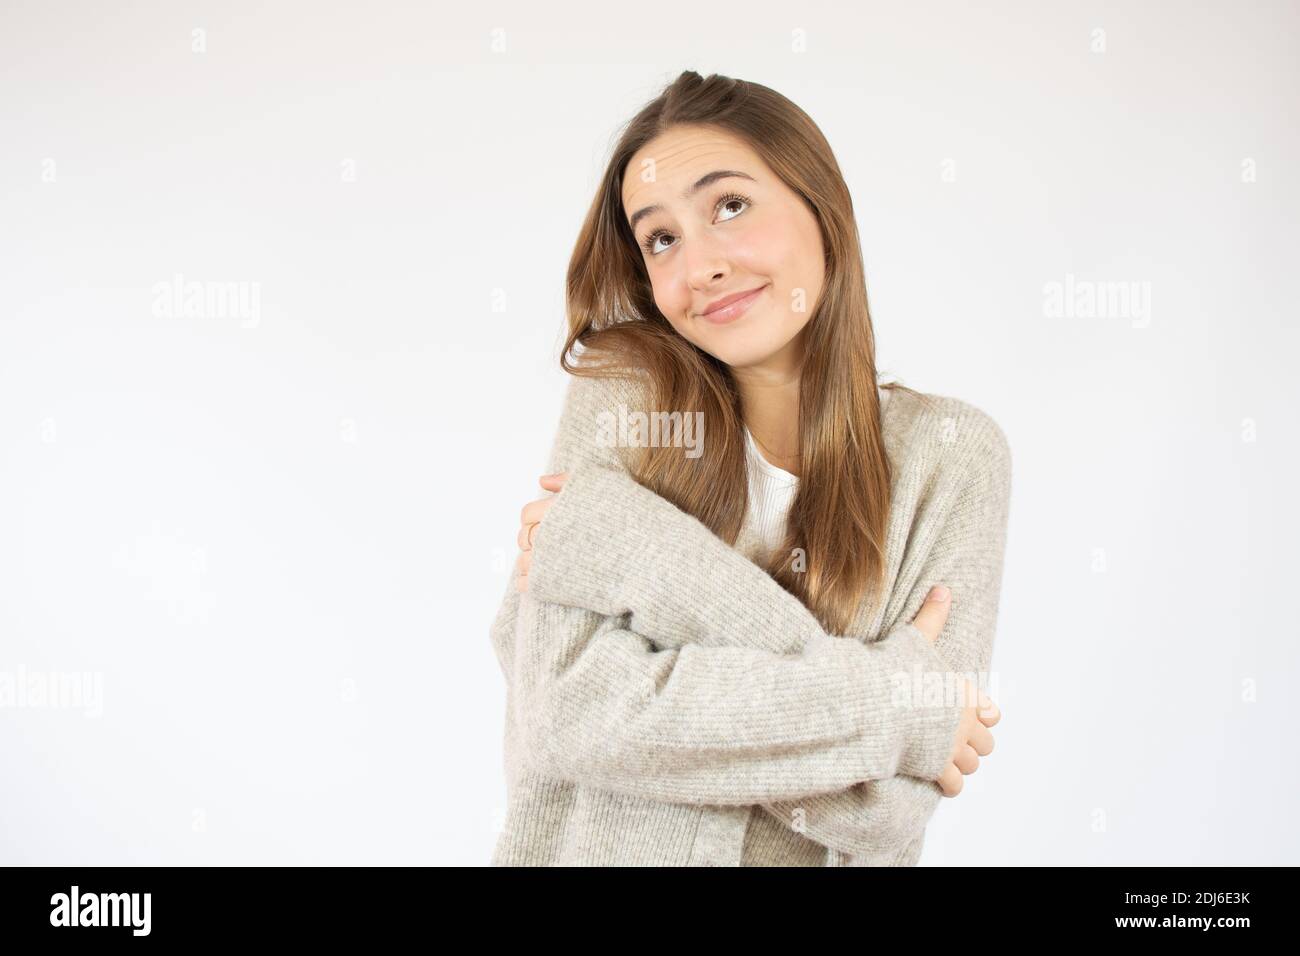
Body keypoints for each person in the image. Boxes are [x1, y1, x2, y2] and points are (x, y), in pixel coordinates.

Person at [490, 70, 1012, 866]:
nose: (698, 266)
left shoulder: (953, 456)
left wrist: (627, 548)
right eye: (661, 238)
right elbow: (566, 713)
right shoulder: (625, 395)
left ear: (821, 204)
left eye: (729, 206)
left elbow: (885, 813)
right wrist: (889, 703)